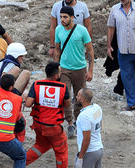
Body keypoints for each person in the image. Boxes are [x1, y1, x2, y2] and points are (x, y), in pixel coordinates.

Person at [54, 6, 94, 138]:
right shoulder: (58, 29)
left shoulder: (82, 30)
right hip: (64, 68)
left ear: (72, 17)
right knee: (64, 95)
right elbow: (57, 49)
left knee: (79, 96)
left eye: (65, 17)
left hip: (80, 68)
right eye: (60, 17)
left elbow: (90, 50)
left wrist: (90, 70)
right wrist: (56, 68)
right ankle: (70, 122)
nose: (62, 20)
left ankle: (77, 120)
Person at [25, 62, 70, 167]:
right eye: (59, 72)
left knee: (41, 145)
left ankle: (21, 163)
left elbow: (28, 104)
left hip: (38, 124)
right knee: (61, 152)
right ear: (56, 75)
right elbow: (67, 105)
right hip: (53, 127)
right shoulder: (63, 87)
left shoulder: (37, 84)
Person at [107, 0, 135, 111]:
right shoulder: (114, 9)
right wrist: (109, 46)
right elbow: (110, 27)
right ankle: (132, 102)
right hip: (123, 50)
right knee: (126, 77)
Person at [75, 88, 103, 168]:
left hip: (90, 153)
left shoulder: (84, 116)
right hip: (99, 149)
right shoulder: (97, 108)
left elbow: (87, 138)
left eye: (78, 96)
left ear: (83, 99)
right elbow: (100, 125)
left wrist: (80, 158)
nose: (76, 97)